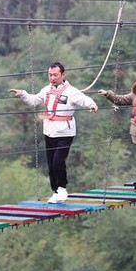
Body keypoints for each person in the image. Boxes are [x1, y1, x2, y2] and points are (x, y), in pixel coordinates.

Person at [9, 62, 98, 203]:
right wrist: (23, 94)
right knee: (51, 164)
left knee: (58, 161)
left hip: (65, 132)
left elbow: (83, 99)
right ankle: (55, 191)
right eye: (50, 75)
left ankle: (62, 187)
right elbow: (34, 100)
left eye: (55, 75)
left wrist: (91, 104)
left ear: (63, 75)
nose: (52, 78)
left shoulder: (71, 91)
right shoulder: (46, 90)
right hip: (49, 131)